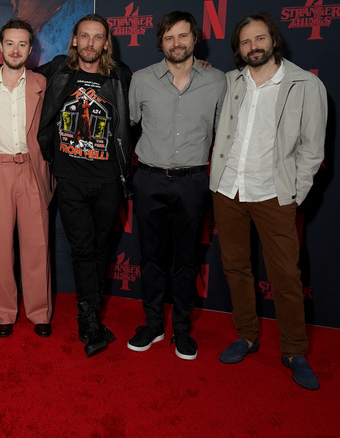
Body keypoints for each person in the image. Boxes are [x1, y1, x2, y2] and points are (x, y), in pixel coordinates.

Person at [0, 14, 133, 357]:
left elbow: (133, 120)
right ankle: (13, 314)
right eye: (84, 36)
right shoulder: (49, 73)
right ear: (74, 40)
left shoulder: (115, 76)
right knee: (4, 249)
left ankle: (46, 314)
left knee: (51, 249)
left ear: (106, 43)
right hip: (38, 174)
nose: (91, 43)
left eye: (98, 38)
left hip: (72, 175)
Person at [210, 12, 327, 390]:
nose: (253, 47)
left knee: (286, 277)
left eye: (259, 39)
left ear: (273, 41)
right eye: (245, 42)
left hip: (275, 193)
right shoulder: (228, 82)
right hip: (229, 190)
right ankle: (246, 335)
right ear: (238, 49)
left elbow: (313, 150)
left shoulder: (305, 85)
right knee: (235, 268)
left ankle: (294, 350)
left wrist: (294, 191)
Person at [127, 11, 225, 360]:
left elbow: (224, 132)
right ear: (161, 43)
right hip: (150, 179)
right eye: (169, 38)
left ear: (195, 39)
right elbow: (131, 124)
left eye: (183, 36)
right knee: (151, 257)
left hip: (193, 182)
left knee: (186, 259)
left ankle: (181, 329)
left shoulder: (218, 82)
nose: (176, 43)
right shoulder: (142, 80)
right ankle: (153, 324)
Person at [0, 19, 53, 338]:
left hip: (33, 171)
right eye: (10, 43)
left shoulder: (42, 83)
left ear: (31, 49)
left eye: (22, 44)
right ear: (0, 46)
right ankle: (3, 313)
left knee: (37, 247)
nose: (15, 49)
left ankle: (40, 312)